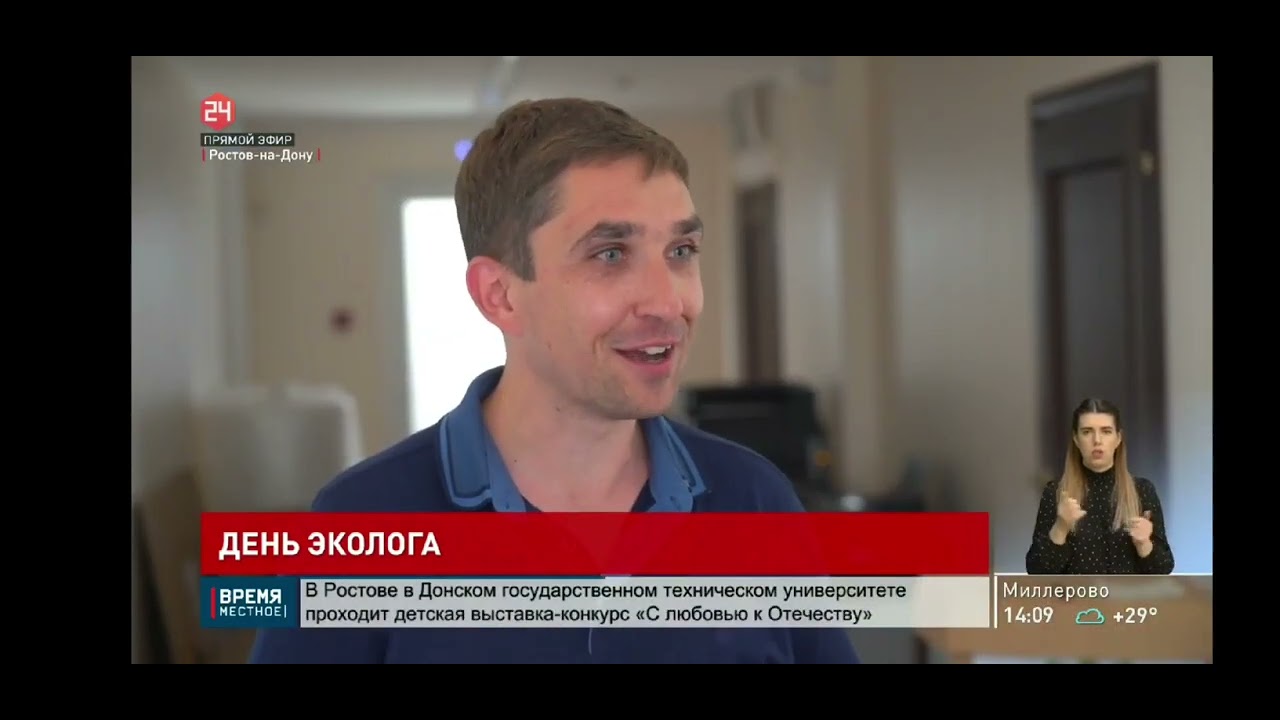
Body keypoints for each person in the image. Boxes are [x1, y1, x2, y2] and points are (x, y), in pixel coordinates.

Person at [250, 98, 860, 664]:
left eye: (680, 251)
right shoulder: (360, 525)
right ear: (499, 295)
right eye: (610, 254)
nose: (668, 302)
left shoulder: (755, 502)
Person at [1025, 398, 1175, 575]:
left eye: (1106, 431)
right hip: (1075, 593)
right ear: (1076, 439)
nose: (1097, 440)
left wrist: (1144, 544)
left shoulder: (1142, 490)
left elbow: (1164, 569)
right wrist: (1061, 527)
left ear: (1118, 438)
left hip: (1126, 594)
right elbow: (1036, 570)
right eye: (1087, 432)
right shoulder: (1055, 493)